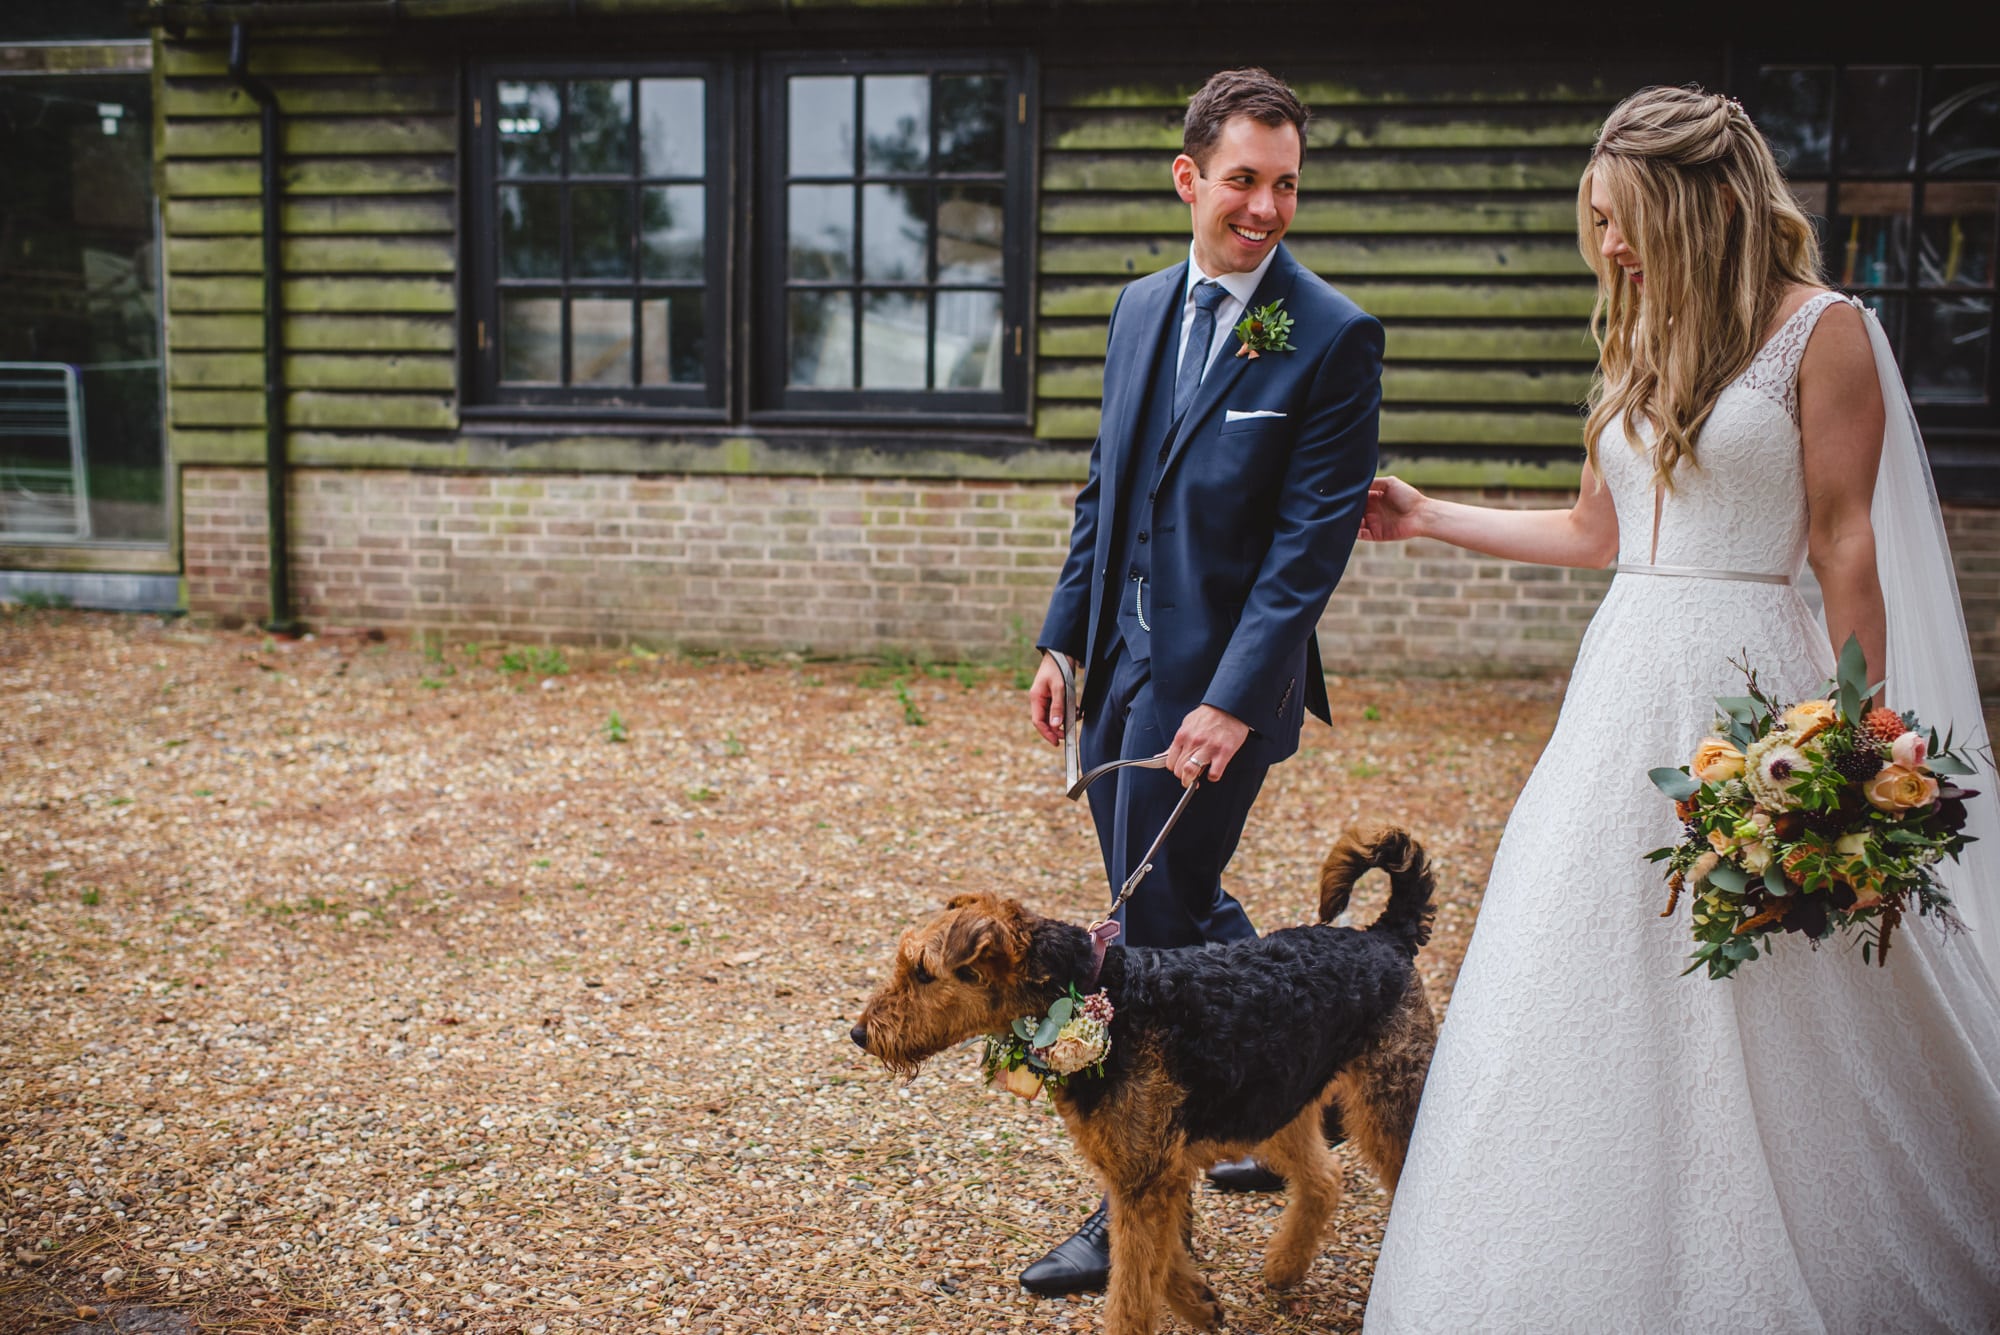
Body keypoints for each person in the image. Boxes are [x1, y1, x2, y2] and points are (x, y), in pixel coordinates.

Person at [1360, 85, 2000, 1332]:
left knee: (1782, 968)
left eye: (1623, 218)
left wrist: (1856, 751)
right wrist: (1430, 516)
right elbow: (1598, 532)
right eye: (1596, 222)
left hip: (1756, 685)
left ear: (1703, 202)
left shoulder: (1824, 332)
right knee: (1579, 958)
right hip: (1621, 689)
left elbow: (1844, 547)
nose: (1607, 248)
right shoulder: (1637, 331)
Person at [1022, 67, 1384, 1296]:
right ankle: (1296, 1075)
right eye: (1244, 180)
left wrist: (1229, 699)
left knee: (1145, 931)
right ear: (1190, 179)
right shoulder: (1135, 309)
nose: (1267, 207)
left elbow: (1305, 551)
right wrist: (1061, 641)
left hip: (1228, 692)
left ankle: (1132, 1202)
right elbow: (1101, 489)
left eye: (1286, 185)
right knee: (1173, 904)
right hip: (1118, 670)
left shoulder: (1327, 335)